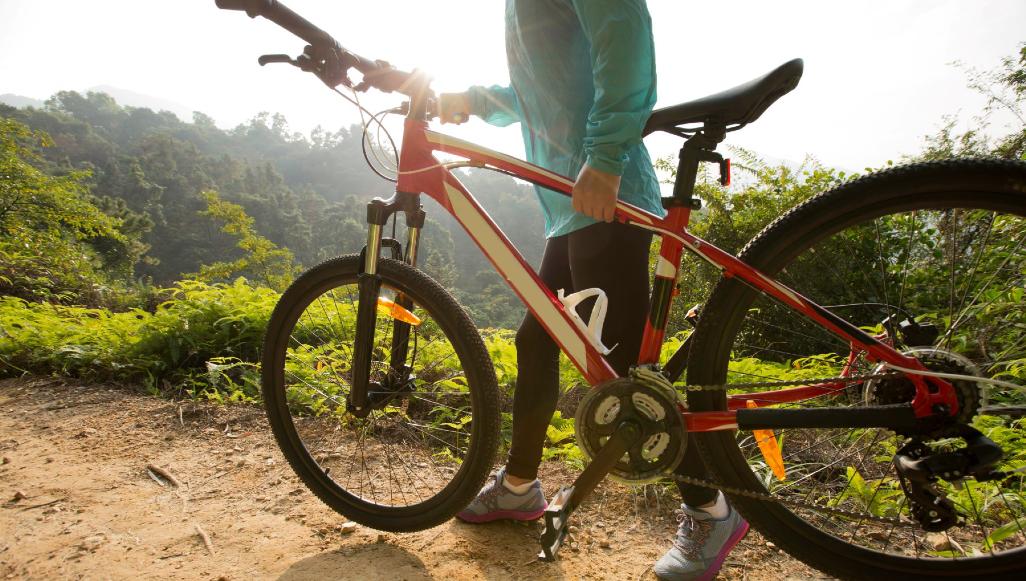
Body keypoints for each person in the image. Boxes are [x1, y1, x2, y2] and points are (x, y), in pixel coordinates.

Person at [438, 1, 747, 579]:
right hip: (570, 204)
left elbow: (624, 40)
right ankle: (519, 487)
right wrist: (473, 101)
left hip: (603, 189)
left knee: (625, 369)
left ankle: (711, 510)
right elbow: (544, 87)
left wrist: (604, 158)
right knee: (538, 340)